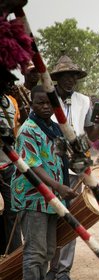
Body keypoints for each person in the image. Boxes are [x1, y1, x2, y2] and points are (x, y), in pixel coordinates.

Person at [12, 85, 78, 280]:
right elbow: (32, 165)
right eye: (40, 103)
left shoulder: (53, 129)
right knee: (35, 250)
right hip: (33, 199)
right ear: (31, 103)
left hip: (51, 199)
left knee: (49, 250)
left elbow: (63, 157)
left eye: (49, 103)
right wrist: (60, 186)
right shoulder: (29, 130)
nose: (45, 107)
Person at [44, 55, 99, 280]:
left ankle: (63, 270)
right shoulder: (47, 99)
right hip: (51, 163)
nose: (69, 81)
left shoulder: (83, 101)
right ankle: (51, 266)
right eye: (64, 77)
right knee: (53, 215)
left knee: (73, 216)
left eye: (73, 77)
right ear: (56, 79)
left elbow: (91, 134)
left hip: (76, 164)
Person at [0, 67, 23, 255]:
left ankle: (14, 255)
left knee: (13, 210)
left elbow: (16, 128)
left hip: (9, 164)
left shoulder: (12, 103)